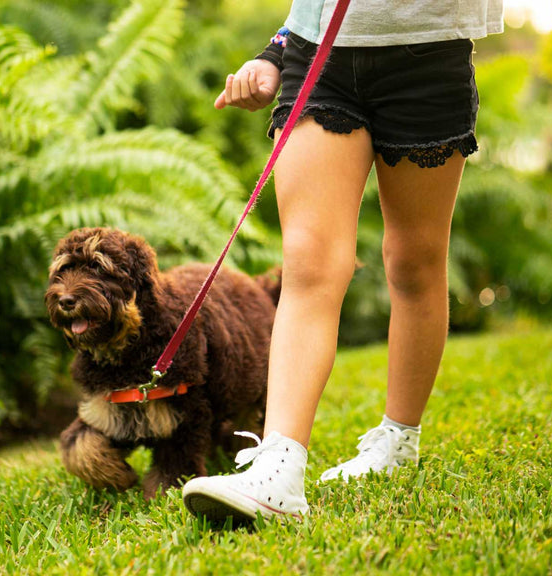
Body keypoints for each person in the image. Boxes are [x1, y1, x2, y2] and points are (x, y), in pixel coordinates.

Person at [181, 0, 505, 522]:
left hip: (428, 56)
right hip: (319, 53)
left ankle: (397, 442)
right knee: (309, 264)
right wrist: (275, 51)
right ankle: (278, 467)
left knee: (414, 262)